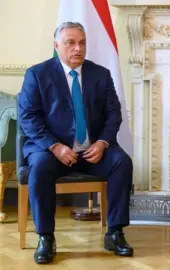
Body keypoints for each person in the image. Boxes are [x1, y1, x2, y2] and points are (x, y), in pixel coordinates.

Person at [18, 22, 134, 264]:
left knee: (121, 162)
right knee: (38, 167)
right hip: (52, 151)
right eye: (70, 42)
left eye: (82, 43)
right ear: (56, 45)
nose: (77, 48)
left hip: (92, 152)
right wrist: (55, 146)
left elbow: (114, 113)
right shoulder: (37, 74)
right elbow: (28, 117)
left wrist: (103, 142)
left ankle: (115, 232)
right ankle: (46, 238)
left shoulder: (100, 74)